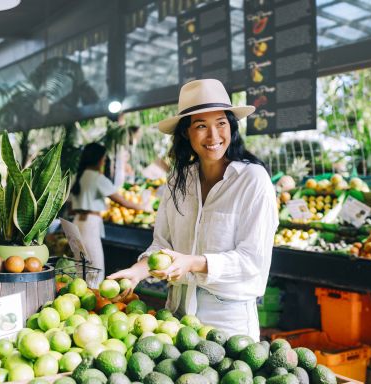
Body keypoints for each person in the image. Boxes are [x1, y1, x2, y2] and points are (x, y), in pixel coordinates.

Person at [108, 79, 279, 340]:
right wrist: (137, 272)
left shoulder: (252, 180)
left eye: (221, 123)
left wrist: (193, 263)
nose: (213, 136)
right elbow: (161, 244)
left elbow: (251, 260)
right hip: (175, 317)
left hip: (227, 323)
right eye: (201, 126)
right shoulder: (178, 181)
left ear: (231, 127)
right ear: (186, 133)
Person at [70, 142, 148, 287]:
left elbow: (69, 205)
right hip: (90, 224)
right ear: (99, 159)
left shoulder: (77, 176)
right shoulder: (96, 178)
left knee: (80, 266)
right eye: (104, 159)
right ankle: (93, 301)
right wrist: (143, 207)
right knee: (95, 267)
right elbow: (122, 201)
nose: (104, 162)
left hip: (76, 222)